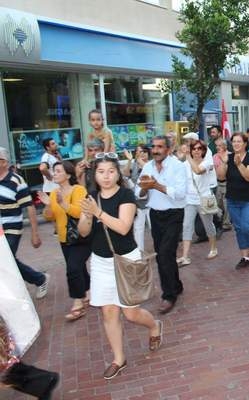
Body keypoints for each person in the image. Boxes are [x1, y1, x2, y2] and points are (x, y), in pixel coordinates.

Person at [77, 153, 163, 380]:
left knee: (131, 313)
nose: (106, 176)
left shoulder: (126, 195)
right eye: (101, 172)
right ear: (94, 175)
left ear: (118, 173)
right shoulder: (91, 196)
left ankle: (154, 326)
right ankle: (118, 358)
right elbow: (84, 232)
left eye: (111, 171)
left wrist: (98, 213)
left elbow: (124, 227)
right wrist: (87, 216)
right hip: (100, 261)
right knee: (109, 312)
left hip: (126, 260)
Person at [136, 136, 187, 314]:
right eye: (153, 147)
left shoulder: (178, 166)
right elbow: (139, 193)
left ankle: (169, 295)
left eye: (160, 147)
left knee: (165, 253)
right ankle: (176, 285)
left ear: (168, 149)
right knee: (164, 255)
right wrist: (145, 187)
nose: (155, 150)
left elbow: (180, 194)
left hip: (174, 214)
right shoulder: (148, 167)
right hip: (155, 215)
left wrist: (156, 185)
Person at [39, 162, 91, 321]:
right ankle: (87, 292)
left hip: (81, 237)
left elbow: (80, 212)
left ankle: (78, 303)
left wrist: (63, 203)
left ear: (68, 175)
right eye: (54, 171)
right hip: (64, 238)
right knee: (79, 267)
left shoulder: (79, 190)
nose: (54, 174)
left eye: (58, 171)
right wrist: (48, 205)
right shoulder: (54, 193)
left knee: (73, 268)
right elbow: (49, 217)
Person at [0, 147, 48, 299]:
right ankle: (39, 279)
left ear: (4, 162)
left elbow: (29, 207)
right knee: (8, 261)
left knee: (6, 260)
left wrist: (35, 234)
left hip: (12, 229)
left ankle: (36, 281)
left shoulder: (16, 181)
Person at [216, 132, 249, 270]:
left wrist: (239, 164)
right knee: (240, 229)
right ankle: (245, 257)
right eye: (234, 141)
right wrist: (223, 163)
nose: (236, 144)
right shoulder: (228, 158)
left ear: (245, 144)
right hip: (232, 200)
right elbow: (221, 177)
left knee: (248, 227)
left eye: (239, 141)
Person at [178, 139, 219, 266]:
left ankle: (213, 248)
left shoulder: (207, 163)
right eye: (194, 149)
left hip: (204, 199)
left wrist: (188, 157)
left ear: (203, 151)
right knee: (187, 226)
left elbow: (197, 170)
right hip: (189, 200)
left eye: (199, 149)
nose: (196, 151)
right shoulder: (185, 164)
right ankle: (185, 256)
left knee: (208, 225)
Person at [123, 145, 151, 251]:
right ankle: (140, 252)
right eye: (139, 151)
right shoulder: (134, 165)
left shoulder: (151, 165)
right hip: (137, 203)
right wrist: (130, 160)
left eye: (144, 151)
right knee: (138, 229)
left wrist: (141, 162)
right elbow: (125, 174)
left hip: (151, 203)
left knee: (155, 228)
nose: (142, 153)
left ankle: (160, 248)